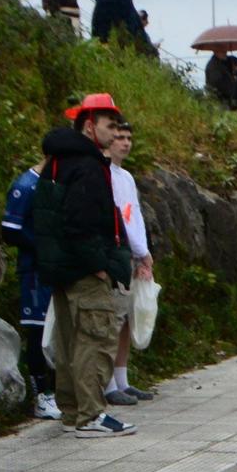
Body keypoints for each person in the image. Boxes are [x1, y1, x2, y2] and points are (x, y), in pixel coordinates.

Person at [29, 95, 135, 437]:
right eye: (109, 125)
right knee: (96, 338)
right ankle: (91, 415)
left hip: (59, 267)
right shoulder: (88, 165)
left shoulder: (58, 160)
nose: (115, 132)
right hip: (84, 268)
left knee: (70, 341)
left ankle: (73, 412)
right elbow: (82, 221)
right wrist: (99, 265)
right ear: (89, 126)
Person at [101, 119, 155, 406]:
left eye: (128, 138)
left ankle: (122, 379)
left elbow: (135, 217)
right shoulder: (103, 174)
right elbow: (118, 217)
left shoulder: (127, 177)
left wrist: (143, 252)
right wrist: (136, 250)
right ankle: (108, 382)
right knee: (113, 319)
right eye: (119, 137)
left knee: (126, 321)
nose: (125, 142)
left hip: (133, 253)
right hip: (118, 252)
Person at [0, 161, 60, 419]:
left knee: (56, 332)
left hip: (55, 270)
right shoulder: (25, 185)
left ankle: (59, 392)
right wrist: (43, 247)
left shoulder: (56, 184)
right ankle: (41, 396)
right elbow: (10, 230)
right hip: (34, 272)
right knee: (36, 331)